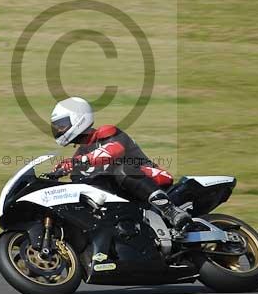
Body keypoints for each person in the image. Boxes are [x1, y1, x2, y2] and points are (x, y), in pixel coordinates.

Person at [49, 96, 192, 231]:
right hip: (126, 197)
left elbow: (114, 150)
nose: (59, 130)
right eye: (57, 127)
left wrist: (79, 161)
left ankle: (170, 210)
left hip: (149, 176)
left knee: (121, 169)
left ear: (78, 118)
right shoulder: (79, 155)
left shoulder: (106, 133)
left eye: (62, 125)